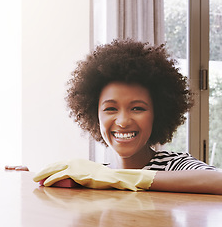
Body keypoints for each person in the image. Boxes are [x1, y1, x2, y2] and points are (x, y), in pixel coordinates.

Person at [33, 39, 222, 194]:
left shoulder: (174, 164)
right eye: (110, 109)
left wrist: (122, 177)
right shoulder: (97, 174)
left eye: (138, 108)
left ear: (158, 114)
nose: (123, 121)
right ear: (94, 114)